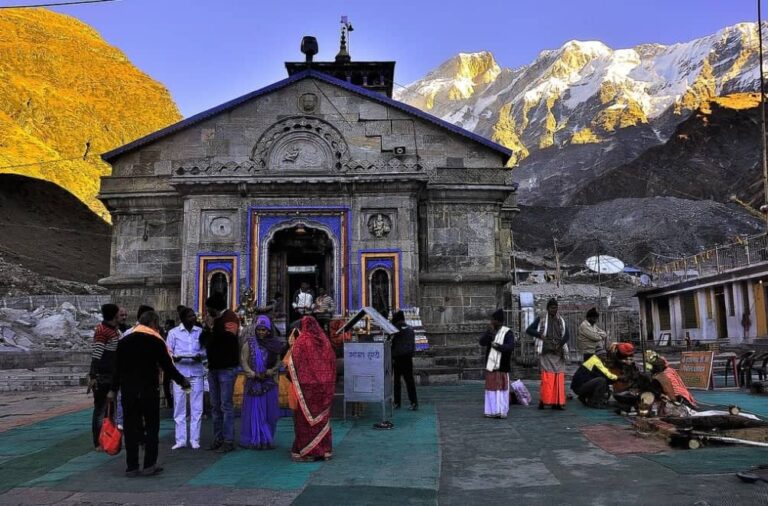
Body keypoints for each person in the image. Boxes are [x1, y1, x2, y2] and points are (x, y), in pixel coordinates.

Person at [109, 311, 190, 477]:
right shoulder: (155, 341)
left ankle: (131, 466)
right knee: (152, 428)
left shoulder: (124, 341)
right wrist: (182, 381)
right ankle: (149, 465)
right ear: (153, 323)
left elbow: (116, 368)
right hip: (148, 391)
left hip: (129, 392)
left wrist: (112, 389)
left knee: (131, 428)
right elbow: (168, 366)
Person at [285, 316, 336, 462]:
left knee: (304, 421)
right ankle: (325, 450)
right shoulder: (325, 341)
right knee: (322, 419)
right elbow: (332, 361)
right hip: (324, 387)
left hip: (306, 387)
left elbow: (293, 363)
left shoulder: (302, 341)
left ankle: (308, 451)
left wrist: (292, 377)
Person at [199, 293, 240, 453]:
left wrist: (211, 328)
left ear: (216, 309)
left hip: (227, 367)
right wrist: (208, 328)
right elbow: (204, 341)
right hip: (214, 367)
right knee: (215, 406)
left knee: (226, 405)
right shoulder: (213, 321)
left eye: (209, 310)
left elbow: (229, 339)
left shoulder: (230, 317)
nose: (208, 313)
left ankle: (228, 440)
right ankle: (218, 438)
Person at [240, 315, 285, 450]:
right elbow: (244, 361)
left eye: (264, 330)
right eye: (259, 329)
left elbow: (279, 362)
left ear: (269, 330)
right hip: (253, 383)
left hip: (269, 383)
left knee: (269, 413)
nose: (261, 332)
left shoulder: (275, 345)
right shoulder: (249, 344)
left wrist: (271, 371)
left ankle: (266, 439)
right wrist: (252, 374)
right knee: (253, 412)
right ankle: (254, 439)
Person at [166, 307, 205, 450]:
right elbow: (168, 351)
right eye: (189, 316)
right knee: (179, 406)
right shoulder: (173, 333)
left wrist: (200, 355)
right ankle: (180, 439)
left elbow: (204, 350)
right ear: (182, 319)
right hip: (180, 374)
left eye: (193, 316)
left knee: (197, 407)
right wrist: (175, 358)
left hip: (195, 372)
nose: (193, 318)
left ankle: (195, 439)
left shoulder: (200, 332)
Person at [88, 303, 122, 451]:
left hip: (113, 374)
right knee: (101, 409)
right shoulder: (103, 331)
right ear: (115, 315)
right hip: (103, 375)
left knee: (111, 409)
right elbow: (96, 355)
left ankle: (109, 438)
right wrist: (93, 375)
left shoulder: (114, 330)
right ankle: (98, 442)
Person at [526, 298, 569, 410]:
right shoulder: (541, 319)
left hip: (558, 352)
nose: (554, 310)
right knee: (548, 378)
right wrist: (540, 335)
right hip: (546, 352)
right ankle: (544, 400)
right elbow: (529, 330)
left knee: (558, 378)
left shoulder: (561, 321)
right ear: (548, 308)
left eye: (556, 308)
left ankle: (558, 402)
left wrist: (560, 345)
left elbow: (567, 335)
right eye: (552, 308)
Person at [479, 309, 515, 418]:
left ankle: (501, 411)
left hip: (502, 365)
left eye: (493, 320)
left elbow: (510, 347)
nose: (491, 322)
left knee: (501, 390)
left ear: (498, 321)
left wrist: (498, 347)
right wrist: (488, 333)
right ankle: (491, 411)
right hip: (491, 365)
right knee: (491, 388)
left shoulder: (508, 332)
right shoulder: (490, 332)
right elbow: (482, 342)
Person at [391, 310, 418, 410]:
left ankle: (397, 403)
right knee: (409, 380)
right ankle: (414, 402)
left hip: (398, 358)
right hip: (407, 358)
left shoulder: (395, 329)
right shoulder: (410, 329)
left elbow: (392, 344)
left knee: (397, 381)